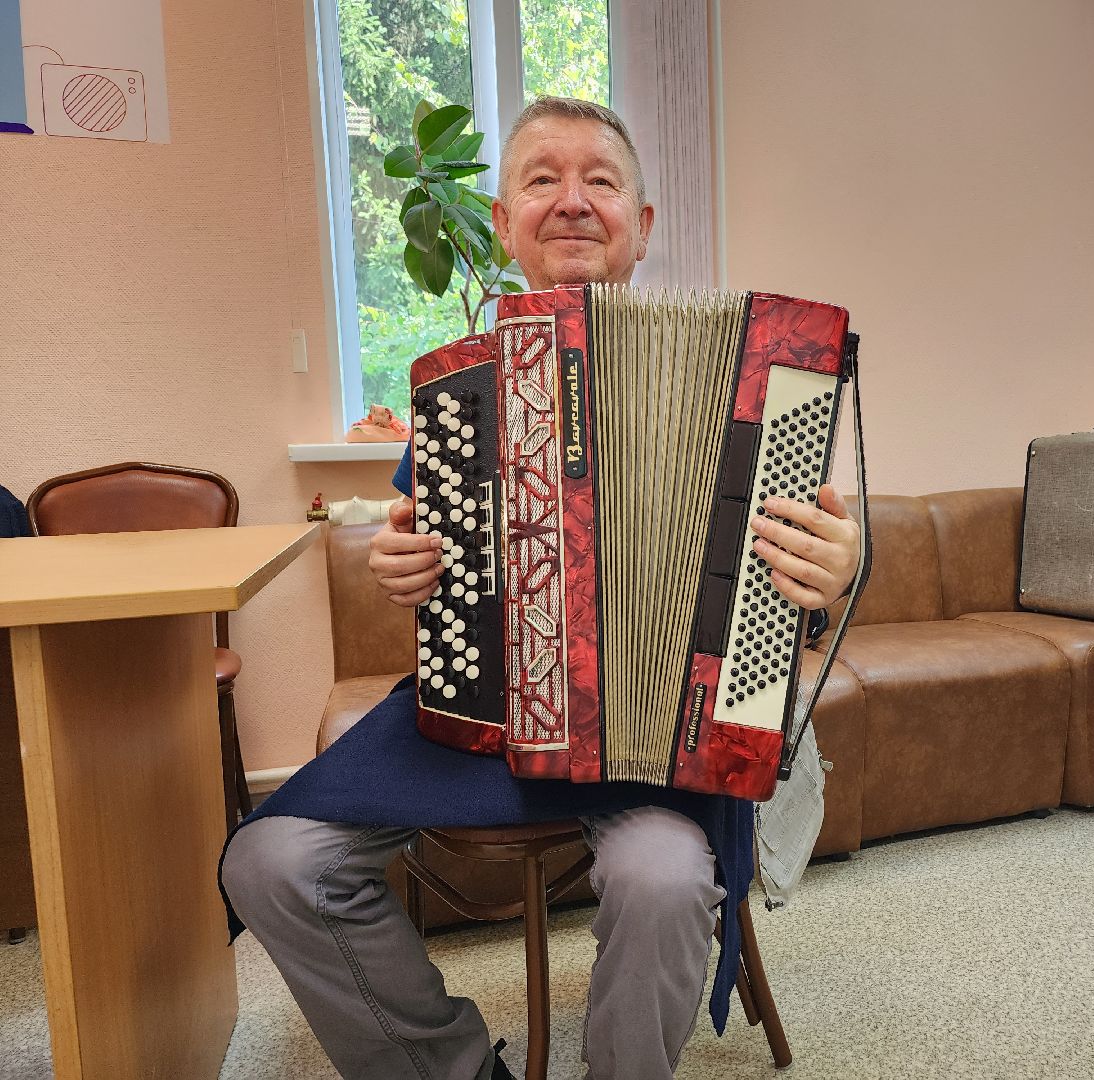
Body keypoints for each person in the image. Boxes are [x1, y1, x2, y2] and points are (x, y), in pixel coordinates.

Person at [222, 97, 861, 1080]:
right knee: (269, 862)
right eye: (541, 179)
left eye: (601, 180)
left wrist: (833, 567)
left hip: (659, 733)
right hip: (489, 715)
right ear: (504, 218)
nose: (572, 202)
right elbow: (418, 545)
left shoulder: (759, 373)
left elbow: (800, 572)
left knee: (661, 876)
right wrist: (405, 568)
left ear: (641, 227)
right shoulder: (459, 385)